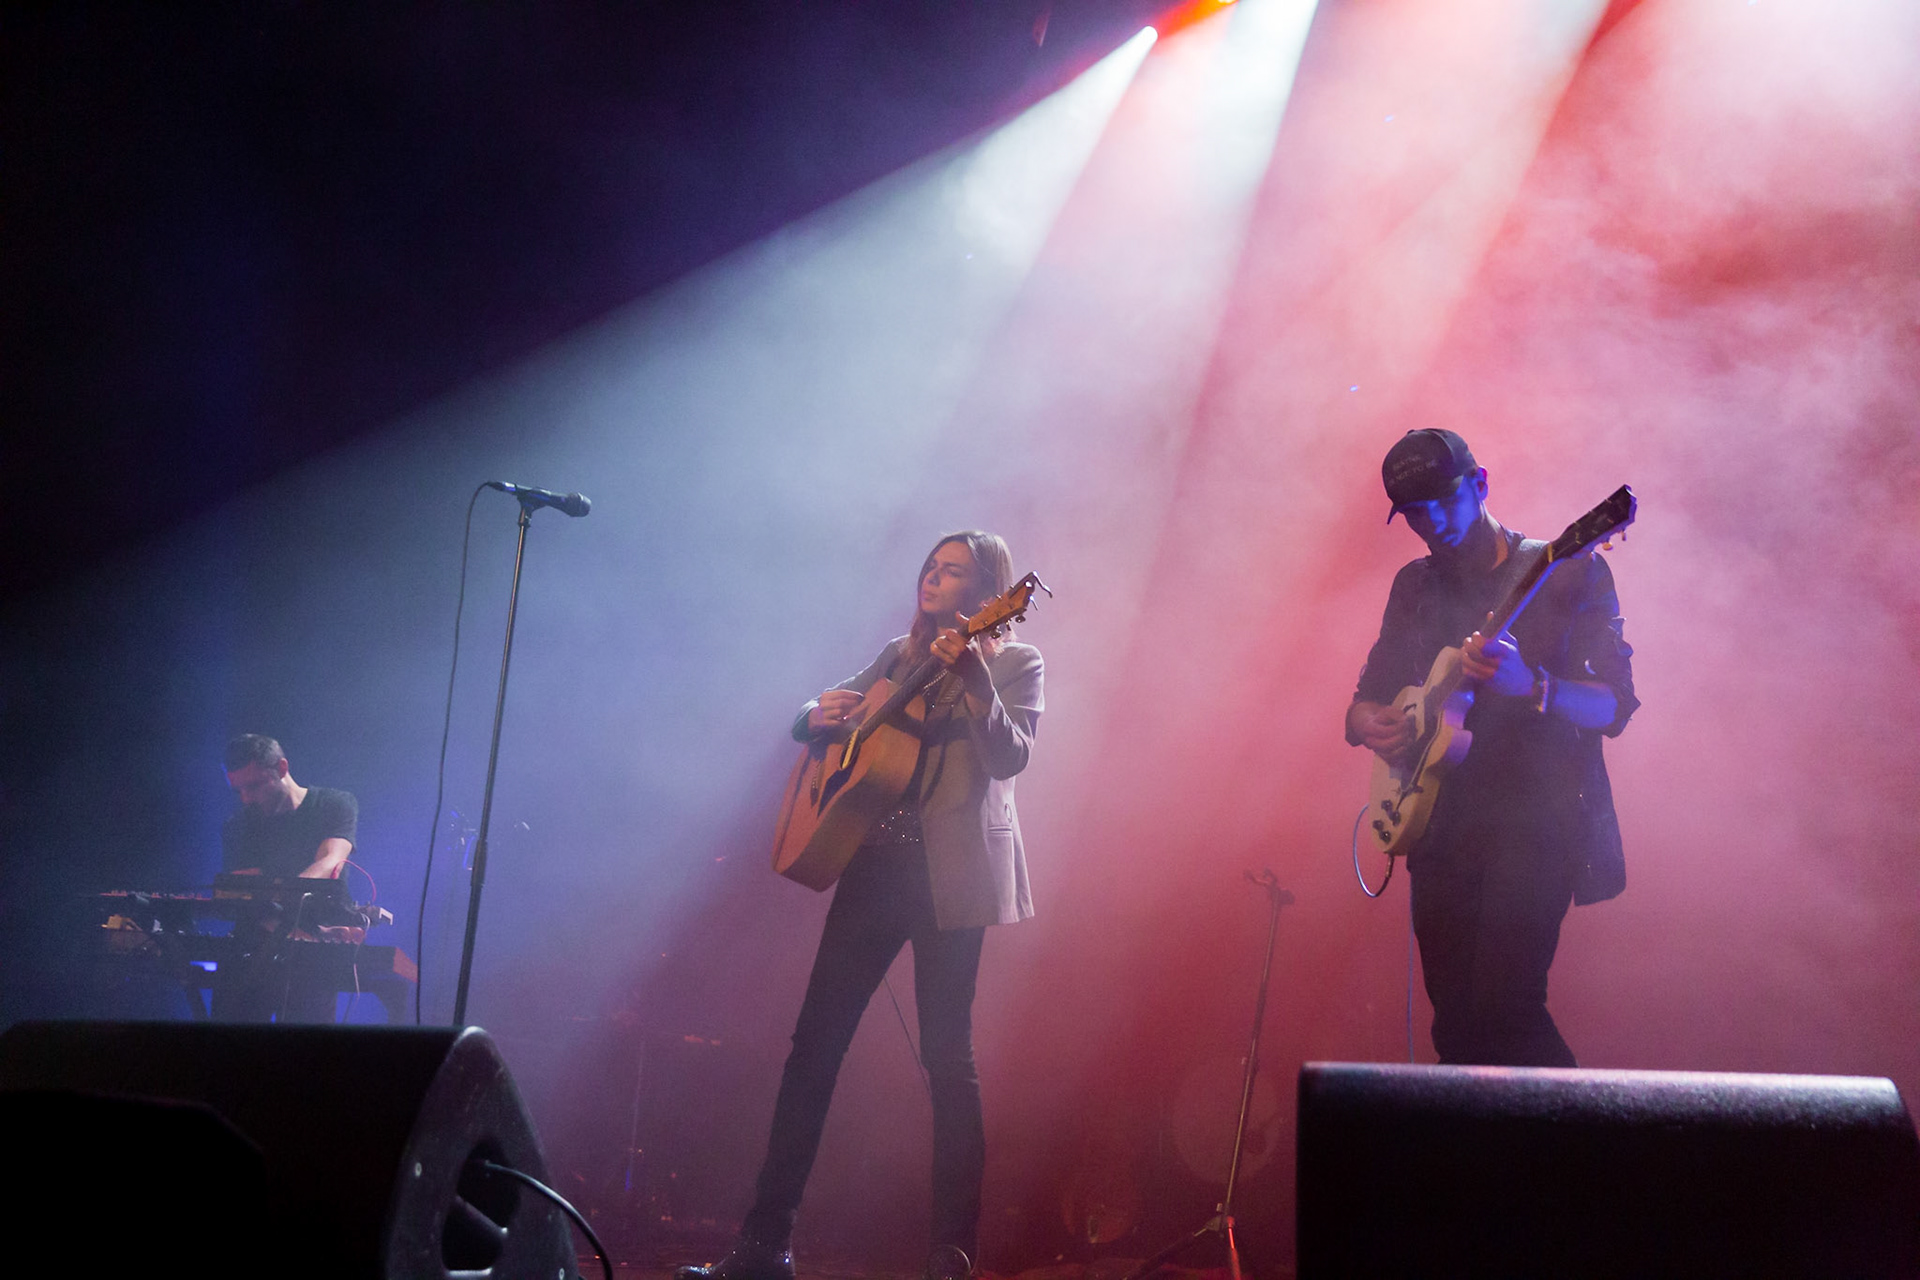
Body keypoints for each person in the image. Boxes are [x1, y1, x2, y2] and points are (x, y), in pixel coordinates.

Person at [682, 531, 1043, 1280]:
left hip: (952, 875)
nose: (933, 580)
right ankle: (763, 1242)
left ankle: (951, 1251)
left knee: (948, 1060)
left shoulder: (1015, 660)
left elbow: (1012, 755)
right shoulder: (897, 654)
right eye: (931, 568)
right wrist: (812, 714)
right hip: (873, 867)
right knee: (814, 1047)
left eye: (953, 573)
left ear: (988, 593)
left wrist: (975, 678)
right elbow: (817, 709)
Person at [1346, 430, 1636, 1067]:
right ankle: (1483, 1166)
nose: (1433, 522)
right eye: (1415, 512)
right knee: (1454, 1025)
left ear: (1480, 484)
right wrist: (1371, 721)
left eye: (1444, 501)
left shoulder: (1566, 571)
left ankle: (1596, 1155)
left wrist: (1531, 686)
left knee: (1507, 1010)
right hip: (1438, 825)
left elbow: (1614, 705)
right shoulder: (1413, 586)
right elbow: (1369, 691)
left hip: (1537, 823)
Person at [214, 733, 359, 1021]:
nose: (246, 798)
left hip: (315, 953)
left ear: (282, 768)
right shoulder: (238, 827)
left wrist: (310, 928)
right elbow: (245, 898)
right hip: (255, 948)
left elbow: (331, 861)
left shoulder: (333, 805)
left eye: (253, 786)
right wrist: (289, 926)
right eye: (238, 790)